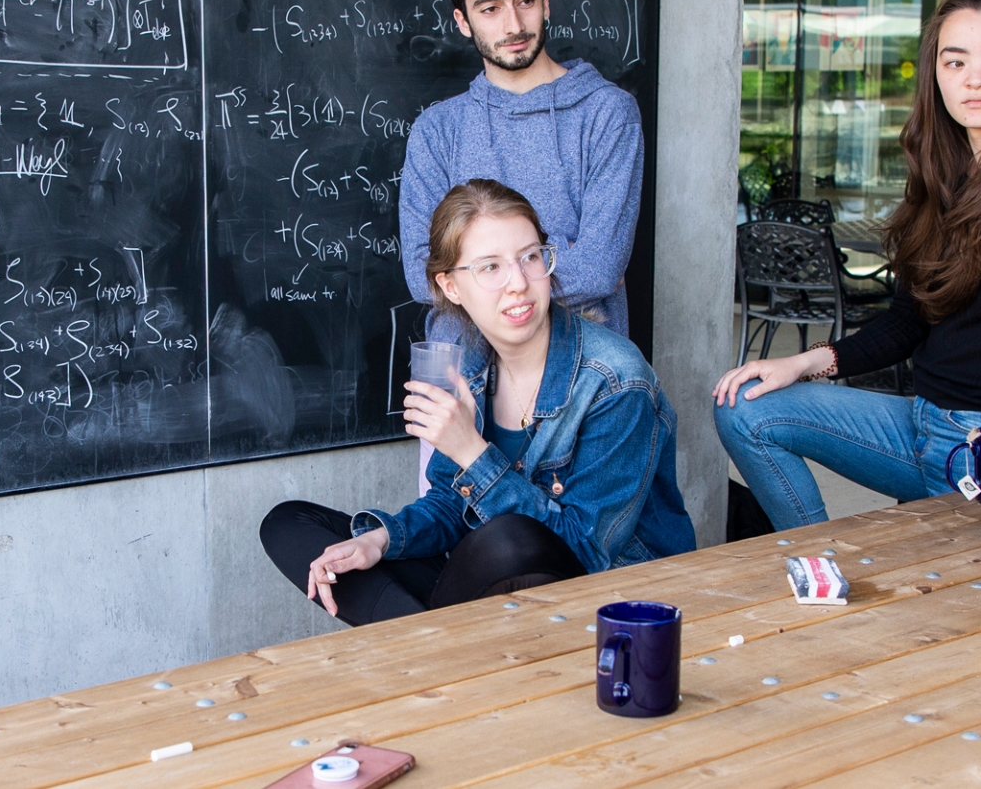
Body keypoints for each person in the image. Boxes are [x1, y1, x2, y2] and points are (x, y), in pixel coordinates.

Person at [710, 0, 981, 530]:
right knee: (744, 405)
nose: (974, 79)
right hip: (919, 421)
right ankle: (815, 556)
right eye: (955, 62)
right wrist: (804, 362)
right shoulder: (947, 164)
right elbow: (910, 322)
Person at [265, 180, 691, 625]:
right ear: (450, 286)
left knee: (508, 538)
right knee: (290, 523)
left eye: (530, 257)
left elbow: (585, 551)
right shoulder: (470, 363)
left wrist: (470, 449)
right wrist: (381, 541)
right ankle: (435, 646)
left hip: (605, 601)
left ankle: (429, 647)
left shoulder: (616, 380)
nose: (519, 284)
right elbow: (451, 504)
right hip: (491, 583)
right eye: (490, 267)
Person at [399, 0, 642, 337]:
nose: (513, 25)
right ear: (463, 20)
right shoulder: (437, 132)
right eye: (490, 8)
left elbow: (600, 268)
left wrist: (477, 273)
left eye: (525, 0)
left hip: (582, 369)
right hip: (465, 371)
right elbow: (424, 275)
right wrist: (559, 255)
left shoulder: (607, 113)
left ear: (546, 3)